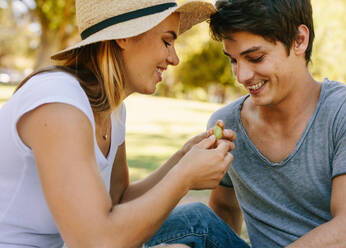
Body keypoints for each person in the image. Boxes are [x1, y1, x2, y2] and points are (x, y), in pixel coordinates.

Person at [0, 0, 250, 247]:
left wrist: (183, 158)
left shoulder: (113, 110)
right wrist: (184, 177)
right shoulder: (57, 103)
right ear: (124, 36)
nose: (174, 59)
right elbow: (96, 242)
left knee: (197, 220)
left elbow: (119, 201)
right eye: (167, 41)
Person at [207, 0, 346, 247]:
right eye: (233, 60)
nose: (241, 76)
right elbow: (223, 210)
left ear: (299, 40)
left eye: (255, 57)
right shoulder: (228, 124)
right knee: (191, 224)